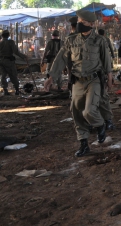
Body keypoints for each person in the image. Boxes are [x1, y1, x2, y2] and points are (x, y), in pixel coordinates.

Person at [44, 10, 113, 157]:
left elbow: (106, 60)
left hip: (94, 80)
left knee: (89, 111)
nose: (79, 24)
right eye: (79, 21)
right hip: (77, 81)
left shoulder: (99, 41)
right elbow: (60, 58)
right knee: (76, 113)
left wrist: (110, 77)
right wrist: (51, 77)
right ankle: (84, 144)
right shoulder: (71, 40)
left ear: (91, 24)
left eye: (83, 22)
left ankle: (100, 125)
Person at [98, 29, 116, 129]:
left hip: (99, 72)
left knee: (102, 96)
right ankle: (106, 121)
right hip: (98, 71)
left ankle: (107, 120)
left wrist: (109, 76)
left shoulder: (97, 40)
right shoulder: (105, 39)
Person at [0, 30, 27, 95]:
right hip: (9, 61)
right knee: (13, 75)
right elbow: (16, 51)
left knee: (3, 76)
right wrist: (23, 56)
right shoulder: (11, 42)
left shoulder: (0, 43)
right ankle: (17, 90)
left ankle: (5, 90)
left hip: (1, 61)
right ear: (8, 35)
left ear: (2, 35)